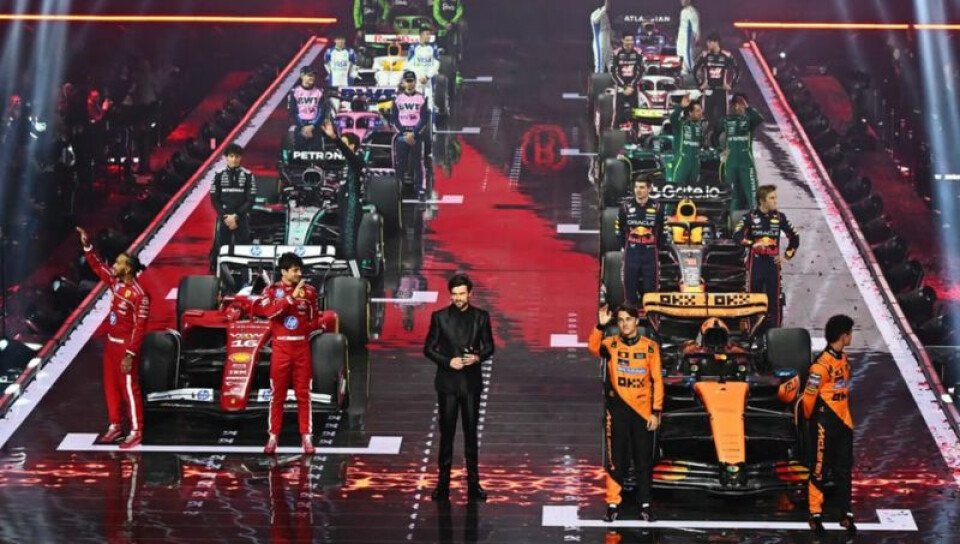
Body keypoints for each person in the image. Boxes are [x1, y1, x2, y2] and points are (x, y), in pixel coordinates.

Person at [423, 273, 495, 503]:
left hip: (471, 384)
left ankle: (474, 484)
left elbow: (490, 346)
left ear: (470, 293)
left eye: (462, 294)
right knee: (446, 436)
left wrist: (477, 357)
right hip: (447, 384)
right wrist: (448, 361)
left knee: (471, 435)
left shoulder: (481, 317)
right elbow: (428, 348)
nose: (458, 298)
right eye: (454, 294)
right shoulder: (440, 317)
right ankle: (442, 485)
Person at [77, 226, 149, 449]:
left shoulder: (139, 295)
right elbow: (98, 267)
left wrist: (130, 354)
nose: (114, 266)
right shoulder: (116, 283)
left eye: (118, 264)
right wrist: (88, 247)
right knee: (111, 388)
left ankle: (136, 431)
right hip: (111, 344)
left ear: (128, 269)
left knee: (129, 390)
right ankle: (115, 425)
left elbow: (140, 328)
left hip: (125, 348)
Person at [588, 304, 662, 523]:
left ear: (636, 322)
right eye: (620, 320)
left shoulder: (650, 348)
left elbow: (658, 380)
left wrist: (656, 412)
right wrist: (600, 326)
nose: (624, 324)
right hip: (617, 411)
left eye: (628, 319)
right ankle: (612, 504)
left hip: (643, 413)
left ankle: (646, 505)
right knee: (616, 461)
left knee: (643, 460)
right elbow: (593, 347)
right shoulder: (610, 344)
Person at [255, 252, 320, 455]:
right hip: (281, 349)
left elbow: (315, 320)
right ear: (284, 272)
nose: (299, 274)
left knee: (304, 395)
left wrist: (304, 330)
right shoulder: (271, 291)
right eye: (295, 270)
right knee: (277, 396)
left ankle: (306, 437)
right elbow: (268, 313)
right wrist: (290, 298)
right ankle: (273, 437)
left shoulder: (310, 292)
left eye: (300, 270)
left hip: (301, 348)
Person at [802, 314, 856, 537]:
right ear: (843, 336)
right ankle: (815, 513)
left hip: (844, 423)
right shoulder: (820, 366)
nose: (851, 337)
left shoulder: (843, 360)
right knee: (819, 468)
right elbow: (808, 399)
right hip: (825, 423)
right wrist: (810, 421)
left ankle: (845, 511)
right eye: (850, 333)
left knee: (844, 468)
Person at [732, 185, 800, 328]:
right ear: (762, 200)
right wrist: (752, 244)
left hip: (773, 264)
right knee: (753, 299)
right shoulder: (749, 217)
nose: (775, 201)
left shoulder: (780, 217)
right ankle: (751, 331)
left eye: (775, 197)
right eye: (772, 198)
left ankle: (775, 332)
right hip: (755, 264)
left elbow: (795, 237)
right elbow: (737, 235)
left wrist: (786, 257)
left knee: (774, 301)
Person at [615, 176, 664, 306]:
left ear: (649, 189)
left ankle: (651, 314)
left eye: (642, 187)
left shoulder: (658, 207)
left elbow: (663, 230)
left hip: (650, 253)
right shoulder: (625, 207)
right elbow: (618, 229)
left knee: (650, 291)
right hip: (631, 252)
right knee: (629, 289)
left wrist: (656, 247)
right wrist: (625, 246)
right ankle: (631, 312)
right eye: (636, 187)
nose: (638, 190)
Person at [209, 143, 256, 271]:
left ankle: (244, 274)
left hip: (241, 218)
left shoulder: (248, 175)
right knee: (221, 247)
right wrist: (225, 217)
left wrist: (236, 216)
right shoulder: (218, 174)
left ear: (241, 158)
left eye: (237, 156)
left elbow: (251, 200)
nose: (234, 159)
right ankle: (220, 272)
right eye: (231, 156)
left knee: (244, 249)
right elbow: (214, 199)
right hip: (223, 218)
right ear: (226, 157)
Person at [712, 93, 763, 211]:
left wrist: (748, 107)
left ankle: (755, 218)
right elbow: (714, 135)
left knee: (752, 195)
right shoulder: (725, 120)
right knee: (732, 195)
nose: (739, 107)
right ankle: (731, 219)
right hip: (730, 163)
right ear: (733, 106)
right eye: (737, 104)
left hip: (746, 164)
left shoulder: (749, 120)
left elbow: (759, 118)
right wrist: (720, 150)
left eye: (742, 104)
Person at [390, 71, 431, 200]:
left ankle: (420, 189)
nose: (409, 83)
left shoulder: (422, 98)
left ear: (415, 81)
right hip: (402, 135)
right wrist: (404, 133)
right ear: (403, 82)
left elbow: (424, 119)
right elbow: (394, 119)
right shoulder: (397, 99)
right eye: (407, 81)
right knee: (400, 164)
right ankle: (397, 189)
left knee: (418, 162)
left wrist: (413, 133)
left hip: (416, 135)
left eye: (411, 80)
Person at [694, 34, 741, 129]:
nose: (707, 44)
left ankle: (720, 136)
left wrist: (731, 85)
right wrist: (700, 84)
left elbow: (737, 71)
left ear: (716, 42)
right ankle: (707, 136)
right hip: (708, 90)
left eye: (709, 42)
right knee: (706, 117)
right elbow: (695, 70)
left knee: (722, 118)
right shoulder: (704, 55)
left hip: (721, 91)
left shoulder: (727, 55)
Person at [286, 66, 327, 150]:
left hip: (315, 127)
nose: (312, 77)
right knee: (299, 154)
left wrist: (312, 126)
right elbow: (292, 112)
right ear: (302, 76)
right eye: (309, 75)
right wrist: (303, 127)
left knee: (317, 154)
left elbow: (322, 112)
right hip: (300, 127)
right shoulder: (294, 92)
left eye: (313, 75)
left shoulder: (320, 92)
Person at [610, 32, 645, 128]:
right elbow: (613, 72)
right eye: (627, 40)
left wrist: (632, 85)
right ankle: (615, 132)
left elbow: (641, 71)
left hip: (634, 86)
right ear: (623, 40)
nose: (630, 42)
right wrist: (624, 86)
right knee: (618, 112)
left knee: (636, 112)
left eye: (632, 40)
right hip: (621, 86)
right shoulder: (616, 53)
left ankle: (636, 133)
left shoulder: (638, 52)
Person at [668, 94, 704, 183]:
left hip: (695, 163)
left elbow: (700, 143)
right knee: (677, 188)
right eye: (697, 111)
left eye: (701, 110)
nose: (700, 113)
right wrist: (681, 106)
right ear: (690, 113)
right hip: (682, 161)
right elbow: (673, 118)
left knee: (694, 189)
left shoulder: (699, 127)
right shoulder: (680, 124)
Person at [407, 27, 441, 97]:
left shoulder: (433, 47)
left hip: (429, 79)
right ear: (421, 35)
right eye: (427, 34)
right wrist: (419, 76)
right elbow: (409, 64)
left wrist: (427, 77)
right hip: (417, 79)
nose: (429, 36)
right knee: (416, 98)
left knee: (429, 99)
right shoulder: (413, 46)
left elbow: (437, 63)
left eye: (430, 34)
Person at [676, 0, 701, 76]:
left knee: (687, 55)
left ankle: (695, 71)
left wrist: (697, 36)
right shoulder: (683, 11)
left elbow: (695, 26)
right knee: (681, 54)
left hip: (687, 39)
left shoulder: (692, 11)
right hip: (681, 38)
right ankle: (684, 71)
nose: (681, 1)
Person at [590, 0, 613, 74]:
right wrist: (603, 10)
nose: (609, 4)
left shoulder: (606, 15)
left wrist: (611, 41)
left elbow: (609, 30)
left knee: (611, 62)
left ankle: (613, 78)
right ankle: (598, 81)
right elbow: (595, 21)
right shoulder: (595, 13)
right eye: (607, 2)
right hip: (599, 42)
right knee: (600, 65)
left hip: (607, 42)